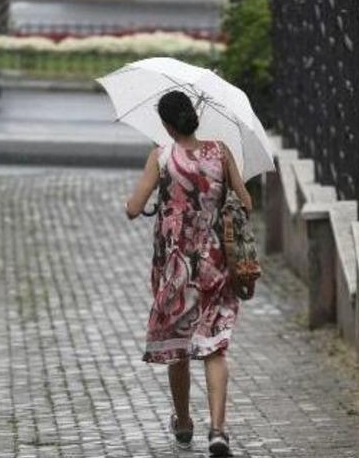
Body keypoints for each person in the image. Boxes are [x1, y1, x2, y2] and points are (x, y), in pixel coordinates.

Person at [124, 90, 253, 457]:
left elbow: (133, 209)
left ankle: (182, 424)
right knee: (215, 347)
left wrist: (157, 202)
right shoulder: (221, 152)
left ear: (166, 124)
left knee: (179, 348)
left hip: (175, 268)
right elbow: (246, 202)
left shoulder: (161, 156)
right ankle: (218, 430)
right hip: (215, 263)